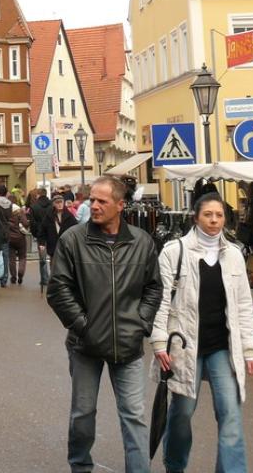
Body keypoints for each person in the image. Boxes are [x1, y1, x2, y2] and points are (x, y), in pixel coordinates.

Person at [47, 176, 162, 473]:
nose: (93, 206)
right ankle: (80, 466)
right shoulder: (73, 240)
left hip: (129, 344)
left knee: (134, 415)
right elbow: (59, 290)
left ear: (120, 205)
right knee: (83, 414)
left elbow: (153, 288)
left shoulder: (141, 241)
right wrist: (84, 325)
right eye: (92, 200)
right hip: (85, 345)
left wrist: (140, 322)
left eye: (101, 201)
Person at [152, 193, 253, 473]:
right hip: (185, 347)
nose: (214, 220)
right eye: (208, 215)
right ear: (195, 217)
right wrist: (160, 342)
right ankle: (174, 465)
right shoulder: (174, 252)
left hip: (222, 347)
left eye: (219, 215)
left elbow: (244, 305)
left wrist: (249, 348)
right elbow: (162, 300)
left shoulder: (234, 254)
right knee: (182, 413)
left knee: (231, 415)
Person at [38, 195, 77, 288]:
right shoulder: (49, 216)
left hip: (66, 245)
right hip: (53, 244)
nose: (59, 204)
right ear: (53, 204)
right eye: (57, 203)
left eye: (61, 202)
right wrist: (42, 243)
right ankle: (56, 283)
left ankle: (64, 283)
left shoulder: (69, 216)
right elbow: (42, 231)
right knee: (54, 264)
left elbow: (76, 230)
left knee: (65, 264)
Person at [5, 196, 30, 285]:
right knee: (22, 257)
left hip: (9, 238)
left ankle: (13, 277)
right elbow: (26, 223)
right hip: (20, 237)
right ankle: (21, 273)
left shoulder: (6, 212)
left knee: (11, 259)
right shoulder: (19, 211)